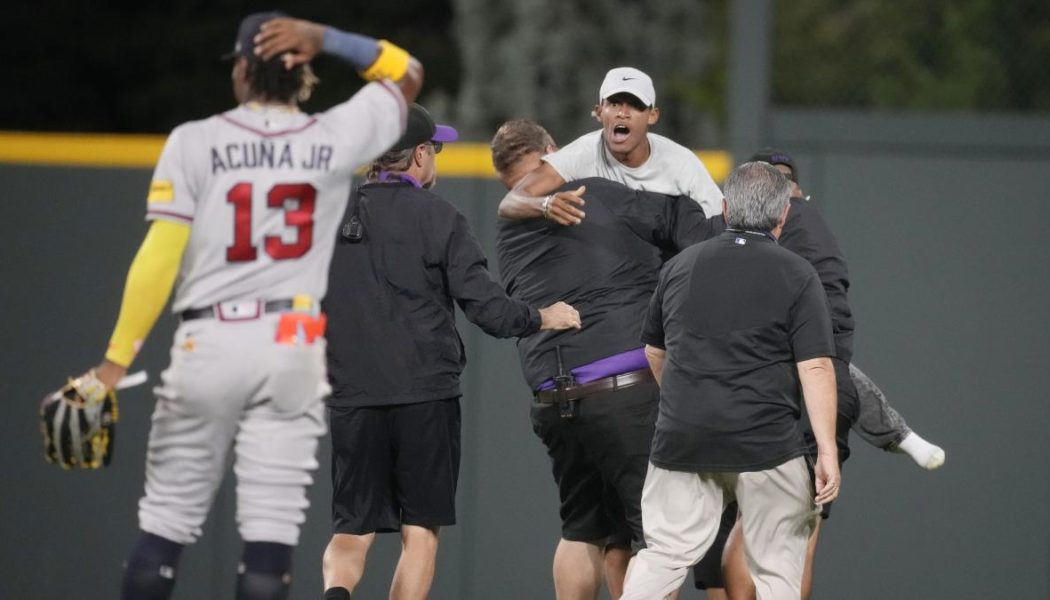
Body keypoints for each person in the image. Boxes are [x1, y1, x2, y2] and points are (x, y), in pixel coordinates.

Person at [75, 13, 423, 600]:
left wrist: (112, 365)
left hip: (208, 340)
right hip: (291, 343)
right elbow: (407, 73)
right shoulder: (331, 137)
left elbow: (158, 257)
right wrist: (329, 39)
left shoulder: (195, 140)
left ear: (241, 70)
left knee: (165, 525)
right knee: (269, 536)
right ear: (303, 71)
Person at [321, 107, 581, 600]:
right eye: (433, 149)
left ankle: (336, 593)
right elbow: (487, 308)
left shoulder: (331, 212)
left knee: (350, 530)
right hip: (425, 396)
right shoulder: (440, 215)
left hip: (353, 395)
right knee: (420, 533)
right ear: (418, 154)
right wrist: (541, 316)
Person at [696, 149, 946, 600]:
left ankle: (898, 433)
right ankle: (898, 433)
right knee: (794, 537)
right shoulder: (813, 231)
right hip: (824, 392)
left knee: (739, 525)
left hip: (748, 392)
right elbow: (827, 362)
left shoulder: (727, 236)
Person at [491, 119, 717, 600]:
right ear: (553, 152)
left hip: (554, 399)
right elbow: (686, 228)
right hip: (624, 392)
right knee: (659, 539)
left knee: (583, 530)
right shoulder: (593, 189)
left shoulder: (506, 231)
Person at [621, 161, 841, 600]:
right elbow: (815, 366)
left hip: (683, 438)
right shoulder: (798, 273)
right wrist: (827, 450)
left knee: (663, 555)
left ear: (724, 208)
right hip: (765, 443)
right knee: (777, 568)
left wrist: (687, 406)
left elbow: (654, 352)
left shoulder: (680, 266)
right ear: (783, 215)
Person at [750, 148, 945, 471]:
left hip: (789, 368)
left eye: (785, 181)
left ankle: (898, 433)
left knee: (799, 499)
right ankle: (898, 433)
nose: (781, 190)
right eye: (773, 181)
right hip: (792, 370)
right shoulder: (779, 225)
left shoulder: (793, 218)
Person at [497, 67, 724, 224]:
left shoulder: (681, 163)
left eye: (635, 105)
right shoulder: (582, 153)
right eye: (614, 103)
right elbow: (510, 202)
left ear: (652, 116)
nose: (623, 113)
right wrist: (545, 205)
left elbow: (720, 223)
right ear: (599, 112)